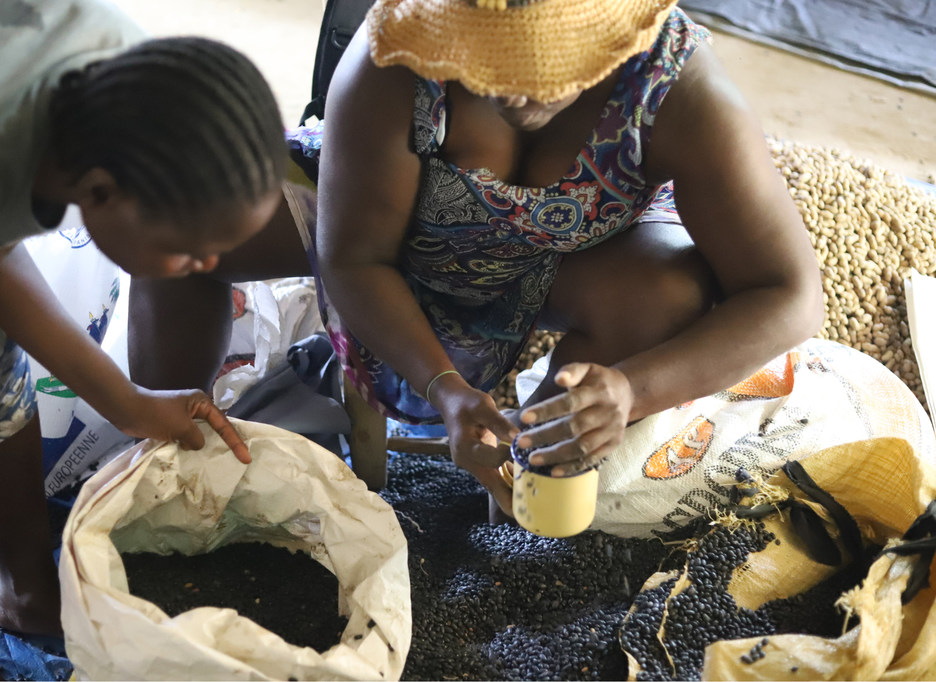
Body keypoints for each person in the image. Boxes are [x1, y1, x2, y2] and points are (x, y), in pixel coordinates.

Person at [309, 0, 825, 514]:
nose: (511, 92)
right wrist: (445, 388)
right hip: (415, 248)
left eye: (543, 70)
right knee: (240, 213)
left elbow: (789, 293)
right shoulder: (402, 51)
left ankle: (531, 469)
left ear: (610, 37)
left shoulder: (672, 85)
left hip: (579, 253)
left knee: (668, 291)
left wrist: (630, 390)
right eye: (488, 62)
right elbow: (355, 257)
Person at [0, 0, 290, 677]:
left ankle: (29, 591)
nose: (209, 268)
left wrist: (129, 401)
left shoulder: (127, 74)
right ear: (100, 190)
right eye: (190, 251)